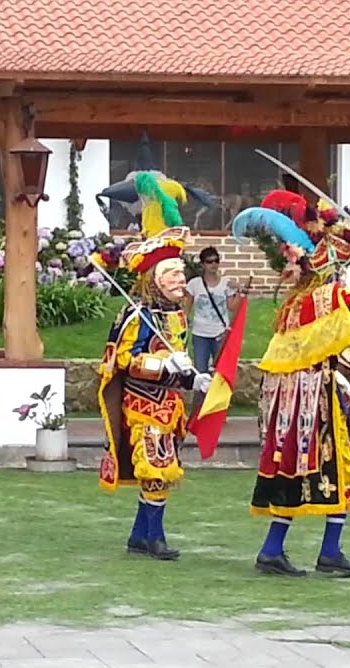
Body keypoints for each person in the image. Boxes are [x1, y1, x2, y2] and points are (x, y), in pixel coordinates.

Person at [232, 195, 350, 579]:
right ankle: (326, 551)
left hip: (295, 399)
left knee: (296, 470)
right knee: (339, 466)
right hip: (311, 397)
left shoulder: (295, 300)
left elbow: (347, 298)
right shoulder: (320, 295)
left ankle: (279, 549)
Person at [94, 172, 212, 562]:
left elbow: (178, 357)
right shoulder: (135, 315)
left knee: (160, 470)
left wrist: (193, 375)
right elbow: (121, 361)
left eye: (182, 273)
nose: (181, 280)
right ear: (155, 280)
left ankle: (139, 536)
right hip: (142, 403)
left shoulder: (176, 316)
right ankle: (154, 537)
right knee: (156, 471)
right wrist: (163, 366)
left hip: (169, 403)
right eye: (173, 275)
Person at [184, 246, 249, 374]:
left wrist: (240, 292)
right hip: (200, 334)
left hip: (220, 333)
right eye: (209, 261)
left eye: (216, 261)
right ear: (203, 264)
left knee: (221, 371)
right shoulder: (194, 284)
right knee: (200, 371)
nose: (213, 264)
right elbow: (187, 307)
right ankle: (201, 394)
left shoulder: (226, 283)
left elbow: (232, 307)